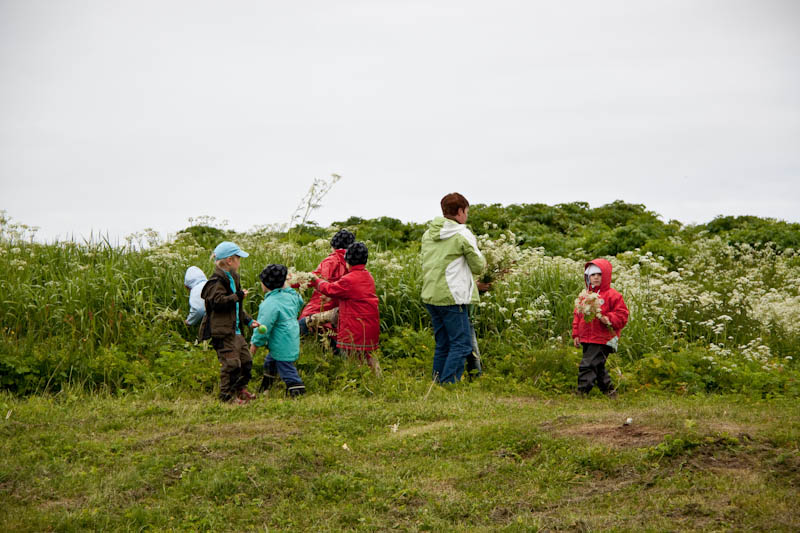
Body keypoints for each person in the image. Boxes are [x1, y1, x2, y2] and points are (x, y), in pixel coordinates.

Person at [421, 193, 486, 384]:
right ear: (460, 211)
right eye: (466, 211)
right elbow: (478, 266)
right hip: (453, 296)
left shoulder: (428, 234)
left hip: (431, 294)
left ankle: (436, 382)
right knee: (462, 345)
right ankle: (448, 384)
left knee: (443, 344)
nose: (466, 215)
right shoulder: (462, 233)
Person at [199, 241, 260, 403]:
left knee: (246, 362)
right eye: (238, 259)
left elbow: (236, 307)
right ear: (229, 261)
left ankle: (240, 390)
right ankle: (227, 397)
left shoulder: (233, 278)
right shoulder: (215, 282)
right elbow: (217, 302)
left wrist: (248, 321)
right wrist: (237, 296)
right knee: (231, 364)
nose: (240, 262)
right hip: (223, 331)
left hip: (236, 330)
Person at [309, 242, 381, 373]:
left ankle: (355, 379)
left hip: (355, 327)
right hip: (369, 325)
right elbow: (354, 295)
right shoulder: (368, 276)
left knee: (352, 358)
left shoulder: (349, 279)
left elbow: (329, 288)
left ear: (347, 261)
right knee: (368, 355)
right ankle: (377, 378)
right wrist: (332, 298)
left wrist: (316, 280)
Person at [572, 259, 629, 396]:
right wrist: (576, 334)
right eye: (592, 275)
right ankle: (609, 391)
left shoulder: (613, 295)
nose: (596, 277)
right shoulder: (584, 296)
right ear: (587, 277)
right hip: (587, 337)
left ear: (606, 276)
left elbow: (622, 315)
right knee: (598, 366)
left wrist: (608, 318)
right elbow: (577, 316)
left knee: (588, 365)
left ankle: (582, 392)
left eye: (599, 274)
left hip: (603, 338)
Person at [250, 264, 307, 397]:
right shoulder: (292, 297)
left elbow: (262, 327)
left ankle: (298, 390)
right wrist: (286, 284)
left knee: (287, 370)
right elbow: (299, 300)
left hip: (281, 342)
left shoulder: (270, 303)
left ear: (266, 284)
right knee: (270, 362)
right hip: (290, 337)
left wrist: (255, 344)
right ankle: (266, 387)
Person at [297, 229, 354, 349]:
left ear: (333, 245)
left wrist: (288, 281)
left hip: (319, 308)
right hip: (341, 311)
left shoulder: (329, 261)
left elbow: (314, 279)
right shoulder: (352, 263)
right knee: (333, 341)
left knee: (297, 331)